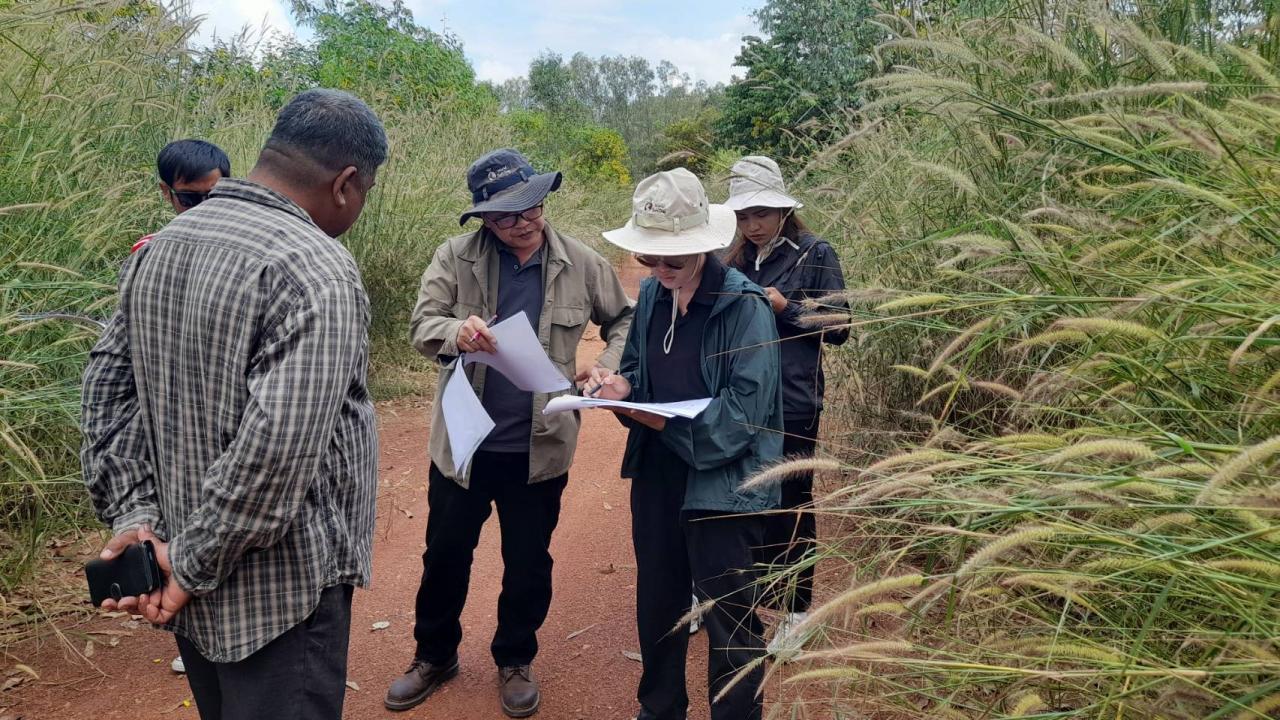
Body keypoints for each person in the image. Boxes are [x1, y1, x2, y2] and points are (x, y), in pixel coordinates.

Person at [80, 88, 388, 720]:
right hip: (280, 598)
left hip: (183, 578)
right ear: (346, 182)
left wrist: (137, 520)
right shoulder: (317, 269)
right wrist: (190, 568)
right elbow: (274, 455)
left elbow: (107, 390)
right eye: (366, 192)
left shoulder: (162, 245)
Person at [391, 148, 633, 717]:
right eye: (505, 217)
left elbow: (623, 318)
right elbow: (422, 325)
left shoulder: (580, 261)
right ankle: (434, 656)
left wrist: (609, 365)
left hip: (540, 444)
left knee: (529, 559)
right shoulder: (456, 257)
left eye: (531, 208)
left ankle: (515, 658)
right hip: (465, 445)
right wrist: (457, 332)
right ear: (483, 219)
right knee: (446, 554)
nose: (522, 223)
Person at [589, 168, 784, 720]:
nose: (659, 270)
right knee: (658, 602)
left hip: (724, 483)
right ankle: (659, 708)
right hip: (659, 475)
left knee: (731, 614)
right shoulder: (652, 294)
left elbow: (743, 418)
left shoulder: (744, 308)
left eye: (672, 259)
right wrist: (618, 387)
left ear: (704, 246)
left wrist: (657, 423)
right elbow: (635, 372)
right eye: (650, 259)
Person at [721, 156, 849, 651]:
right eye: (744, 217)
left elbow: (839, 327)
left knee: (792, 501)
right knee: (738, 494)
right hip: (741, 399)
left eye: (761, 214)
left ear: (782, 210)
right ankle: (740, 597)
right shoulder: (733, 259)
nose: (753, 226)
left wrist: (785, 308)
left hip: (794, 401)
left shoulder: (815, 253)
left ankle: (796, 611)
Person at [132, 138, 232, 675]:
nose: (203, 210)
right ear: (168, 195)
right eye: (191, 200)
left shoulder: (249, 250)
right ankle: (193, 631)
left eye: (215, 196)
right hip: (177, 421)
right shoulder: (151, 255)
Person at [133, 139, 232, 255]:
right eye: (189, 198)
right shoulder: (147, 249)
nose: (203, 206)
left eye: (214, 196)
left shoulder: (243, 246)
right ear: (166, 191)